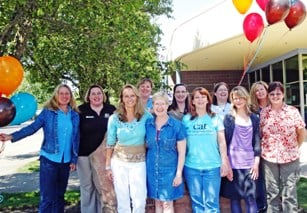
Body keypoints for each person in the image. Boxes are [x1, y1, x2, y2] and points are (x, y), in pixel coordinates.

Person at [0, 84, 80, 213]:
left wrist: (74, 159)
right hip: (49, 160)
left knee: (60, 197)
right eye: (61, 93)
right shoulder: (48, 112)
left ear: (71, 96)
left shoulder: (75, 115)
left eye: (67, 93)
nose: (64, 96)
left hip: (66, 162)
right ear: (56, 96)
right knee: (47, 198)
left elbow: (76, 138)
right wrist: (11, 136)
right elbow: (32, 128)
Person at [182, 87, 230, 212]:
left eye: (203, 97)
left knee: (212, 204)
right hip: (191, 167)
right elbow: (182, 144)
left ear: (208, 100)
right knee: (197, 203)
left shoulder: (215, 118)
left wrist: (224, 162)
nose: (200, 100)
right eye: (196, 97)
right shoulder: (186, 119)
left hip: (212, 167)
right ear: (192, 101)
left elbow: (222, 142)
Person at [105, 84, 152, 213]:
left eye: (132, 96)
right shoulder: (114, 118)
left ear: (137, 98)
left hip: (139, 162)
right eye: (126, 96)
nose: (129, 99)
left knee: (140, 199)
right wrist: (108, 166)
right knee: (122, 199)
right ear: (122, 98)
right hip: (119, 162)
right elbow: (110, 143)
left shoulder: (146, 116)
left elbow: (153, 136)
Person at [260, 81, 306, 212]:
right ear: (268, 95)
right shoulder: (264, 113)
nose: (275, 96)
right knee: (272, 191)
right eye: (272, 93)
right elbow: (261, 133)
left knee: (289, 190)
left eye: (278, 93)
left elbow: (301, 132)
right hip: (269, 158)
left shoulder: (292, 111)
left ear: (283, 94)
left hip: (290, 157)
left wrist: (295, 147)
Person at [220, 86, 261, 213]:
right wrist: (227, 165)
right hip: (233, 164)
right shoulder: (228, 118)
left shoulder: (254, 118)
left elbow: (257, 141)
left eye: (240, 97)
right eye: (235, 98)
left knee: (250, 198)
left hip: (249, 164)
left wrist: (256, 163)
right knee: (235, 198)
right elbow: (224, 143)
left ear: (246, 98)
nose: (238, 101)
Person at [77, 84, 117, 213]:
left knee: (102, 186)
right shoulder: (80, 110)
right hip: (83, 155)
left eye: (99, 93)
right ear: (88, 96)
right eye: (93, 93)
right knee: (87, 186)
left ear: (103, 95)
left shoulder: (111, 110)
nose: (96, 96)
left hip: (103, 156)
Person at [145, 91, 187, 213]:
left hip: (170, 170)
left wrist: (178, 174)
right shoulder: (148, 124)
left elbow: (182, 152)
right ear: (152, 106)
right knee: (157, 202)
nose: (160, 107)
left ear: (168, 105)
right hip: (152, 169)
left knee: (167, 204)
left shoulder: (177, 125)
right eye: (156, 104)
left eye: (162, 104)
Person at [250, 81, 269, 213]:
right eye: (257, 90)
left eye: (262, 89)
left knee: (271, 178)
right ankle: (260, 205)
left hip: (272, 148)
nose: (260, 92)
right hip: (256, 147)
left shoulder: (273, 106)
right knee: (259, 177)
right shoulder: (252, 109)